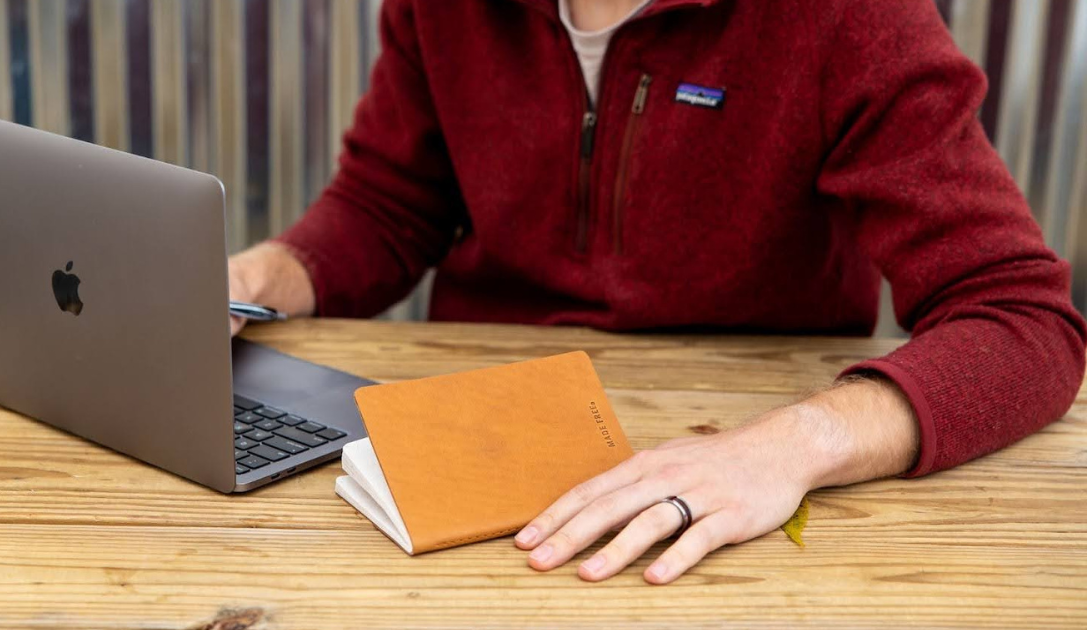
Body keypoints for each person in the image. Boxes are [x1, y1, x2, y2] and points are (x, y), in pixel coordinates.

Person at [227, 0, 1087, 584]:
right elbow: (391, 205)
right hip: (476, 447)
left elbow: (1023, 318)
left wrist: (791, 446)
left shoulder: (847, 18)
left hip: (739, 480)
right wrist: (250, 281)